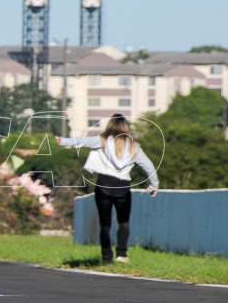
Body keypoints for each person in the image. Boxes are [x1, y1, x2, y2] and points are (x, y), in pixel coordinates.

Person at [56, 113, 159, 264]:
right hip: (123, 187)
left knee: (105, 224)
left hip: (103, 185)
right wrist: (154, 185)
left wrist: (63, 141)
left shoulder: (102, 140)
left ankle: (106, 257)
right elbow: (149, 167)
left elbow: (82, 141)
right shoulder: (133, 146)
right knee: (123, 222)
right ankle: (122, 254)